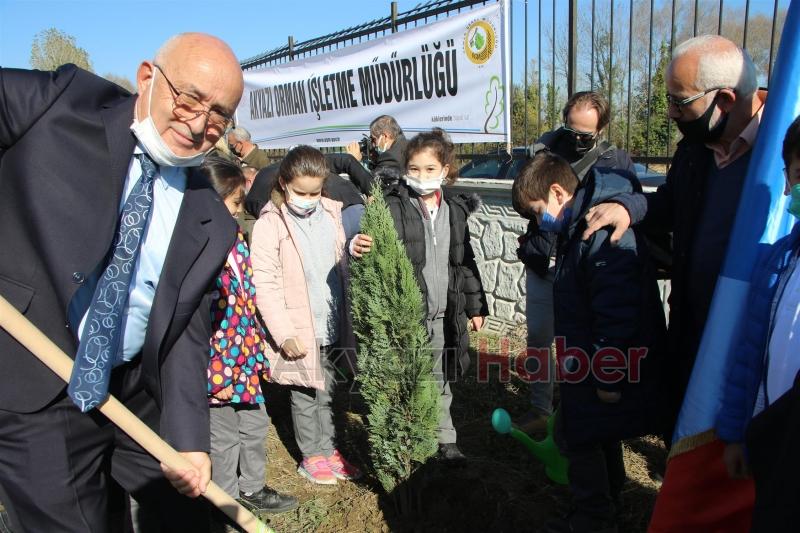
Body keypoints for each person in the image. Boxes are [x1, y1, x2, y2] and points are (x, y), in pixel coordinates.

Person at [0, 33, 243, 532]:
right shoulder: (60, 104)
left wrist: (190, 439)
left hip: (130, 387)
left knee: (193, 519)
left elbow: (184, 337)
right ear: (148, 79)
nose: (198, 124)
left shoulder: (211, 221)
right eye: (189, 98)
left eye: (218, 115)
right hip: (33, 383)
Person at [582, 35, 765, 440]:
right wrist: (629, 207)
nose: (669, 113)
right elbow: (670, 202)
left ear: (726, 101)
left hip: (752, 339)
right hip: (692, 321)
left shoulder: (780, 152)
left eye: (679, 103)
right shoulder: (696, 149)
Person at [513, 152, 664, 533]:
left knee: (576, 435)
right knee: (597, 434)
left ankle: (592, 519)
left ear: (558, 192)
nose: (538, 222)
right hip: (588, 363)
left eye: (536, 211)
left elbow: (616, 311)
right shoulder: (578, 228)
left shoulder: (598, 233)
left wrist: (608, 374)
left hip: (603, 365)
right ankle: (608, 502)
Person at [513, 91, 636, 435]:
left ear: (601, 129)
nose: (577, 140)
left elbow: (629, 200)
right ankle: (540, 407)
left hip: (581, 267)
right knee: (539, 339)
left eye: (586, 135)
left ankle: (572, 410)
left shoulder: (616, 161)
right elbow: (524, 196)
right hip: (543, 262)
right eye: (572, 131)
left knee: (574, 344)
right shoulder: (545, 150)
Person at [250, 145, 372, 485]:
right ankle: (312, 455)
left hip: (331, 320)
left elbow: (333, 254)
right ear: (284, 183)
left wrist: (351, 248)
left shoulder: (331, 212)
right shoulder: (270, 224)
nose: (308, 198)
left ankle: (330, 448)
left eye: (315, 192)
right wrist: (283, 331)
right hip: (298, 326)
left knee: (331, 391)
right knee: (305, 393)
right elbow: (265, 282)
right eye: (300, 192)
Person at [200, 156, 299, 520]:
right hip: (216, 368)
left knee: (254, 424)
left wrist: (256, 355)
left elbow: (247, 305)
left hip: (243, 360)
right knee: (223, 438)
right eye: (235, 203)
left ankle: (252, 489)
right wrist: (218, 373)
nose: (240, 210)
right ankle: (224, 502)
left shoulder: (238, 243)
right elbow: (202, 325)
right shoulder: (199, 253)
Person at [716, 115, 800, 530]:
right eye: (799, 172)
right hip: (773, 443)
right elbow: (749, 355)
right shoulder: (777, 261)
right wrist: (736, 434)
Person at [384, 128, 488, 461]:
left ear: (445, 170)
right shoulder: (393, 207)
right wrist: (357, 247)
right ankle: (412, 439)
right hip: (409, 313)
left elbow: (464, 260)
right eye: (414, 169)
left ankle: (446, 438)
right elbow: (375, 253)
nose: (421, 176)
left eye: (430, 169)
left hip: (446, 312)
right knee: (411, 377)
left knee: (441, 376)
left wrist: (475, 306)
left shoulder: (455, 211)